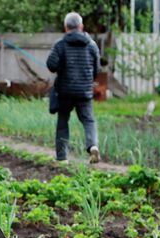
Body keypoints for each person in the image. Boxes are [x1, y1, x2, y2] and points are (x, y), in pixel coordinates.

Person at [46, 12, 101, 164]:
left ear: (66, 27)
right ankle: (92, 146)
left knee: (63, 121)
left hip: (65, 92)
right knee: (88, 121)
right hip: (84, 92)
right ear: (81, 26)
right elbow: (97, 70)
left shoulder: (60, 45)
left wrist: (62, 67)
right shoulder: (91, 45)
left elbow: (51, 65)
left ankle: (62, 157)